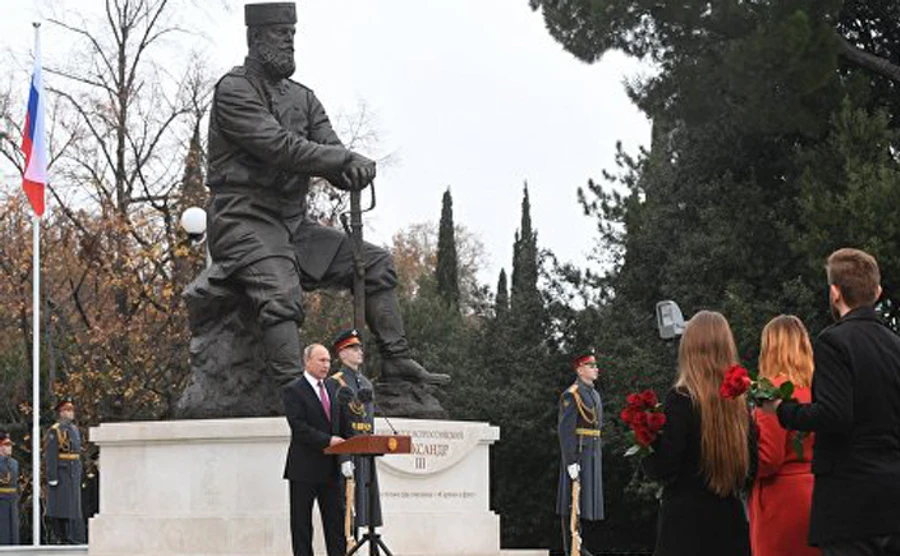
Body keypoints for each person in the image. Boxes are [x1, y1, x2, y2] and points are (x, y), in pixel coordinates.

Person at [204, 1, 448, 388]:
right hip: (242, 220)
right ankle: (292, 392)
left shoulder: (304, 98)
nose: (289, 41)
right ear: (255, 37)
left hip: (293, 225)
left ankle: (397, 361)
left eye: (292, 34)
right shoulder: (234, 90)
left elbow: (330, 151)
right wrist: (340, 159)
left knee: (374, 263)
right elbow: (279, 146)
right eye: (279, 34)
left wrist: (352, 170)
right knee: (281, 291)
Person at [767, 248, 900, 554]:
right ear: (877, 292)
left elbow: (834, 415)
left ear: (835, 292)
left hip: (849, 502)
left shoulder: (834, 342)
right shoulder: (895, 344)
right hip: (893, 500)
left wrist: (782, 411)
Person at [642, 311, 753, 556]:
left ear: (689, 348)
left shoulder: (681, 399)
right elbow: (750, 468)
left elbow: (665, 467)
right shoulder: (739, 402)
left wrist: (647, 443)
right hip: (729, 521)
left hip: (685, 526)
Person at [750, 315, 819, 556]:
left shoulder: (771, 390)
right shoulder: (817, 389)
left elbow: (769, 457)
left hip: (781, 500)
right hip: (819, 492)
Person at [282, 343, 352, 556]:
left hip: (331, 470)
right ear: (307, 361)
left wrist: (352, 443)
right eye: (321, 360)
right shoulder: (293, 390)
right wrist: (328, 440)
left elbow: (341, 422)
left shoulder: (334, 388)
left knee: (336, 524)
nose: (326, 365)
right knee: (302, 526)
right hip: (304, 469)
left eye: (329, 361)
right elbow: (299, 427)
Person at [328, 329, 381, 534]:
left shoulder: (366, 383)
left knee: (366, 509)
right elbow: (335, 424)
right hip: (349, 453)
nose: (359, 351)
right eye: (353, 348)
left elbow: (368, 421)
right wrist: (343, 457)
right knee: (347, 510)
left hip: (365, 453)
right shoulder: (334, 382)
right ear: (342, 354)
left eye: (360, 347)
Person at [557, 350, 604, 556]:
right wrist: (570, 461)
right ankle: (572, 549)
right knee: (572, 501)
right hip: (578, 452)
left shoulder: (593, 394)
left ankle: (582, 545)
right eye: (591, 366)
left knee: (587, 503)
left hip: (592, 450)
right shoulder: (572, 394)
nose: (596, 369)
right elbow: (565, 431)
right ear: (580, 369)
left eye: (595, 365)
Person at [45, 397, 85, 545]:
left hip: (73, 470)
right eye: (68, 410)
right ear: (61, 412)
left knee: (72, 505)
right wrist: (52, 476)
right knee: (60, 505)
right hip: (62, 471)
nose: (71, 412)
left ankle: (70, 534)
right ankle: (60, 535)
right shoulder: (55, 430)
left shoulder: (74, 429)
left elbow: (77, 452)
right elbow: (51, 455)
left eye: (72, 409)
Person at [0, 432, 19, 545]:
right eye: (7, 445)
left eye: (10, 445)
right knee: (3, 532)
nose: (10, 447)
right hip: (1, 500)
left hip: (12, 499)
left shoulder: (14, 463)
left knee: (13, 532)